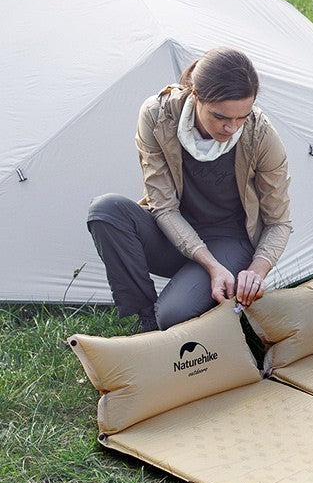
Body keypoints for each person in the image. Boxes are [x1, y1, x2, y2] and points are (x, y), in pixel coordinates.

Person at [87, 47, 292, 331]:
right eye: (221, 117)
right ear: (196, 96)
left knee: (172, 316)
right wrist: (209, 265)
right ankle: (146, 320)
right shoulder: (158, 116)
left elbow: (279, 221)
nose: (232, 128)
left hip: (230, 242)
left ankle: (165, 316)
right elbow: (164, 207)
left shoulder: (260, 135)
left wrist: (257, 269)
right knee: (106, 211)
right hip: (172, 234)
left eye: (241, 117)